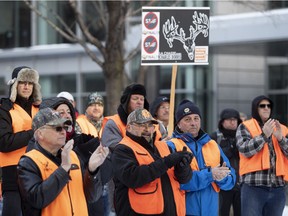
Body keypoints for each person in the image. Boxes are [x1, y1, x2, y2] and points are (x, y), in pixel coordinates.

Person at [26, 96, 112, 216]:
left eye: (69, 112)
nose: (67, 115)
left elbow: (91, 196)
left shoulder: (83, 145)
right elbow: (35, 199)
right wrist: (64, 168)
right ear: (41, 132)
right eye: (61, 113)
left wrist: (92, 171)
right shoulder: (30, 158)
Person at [111, 108, 193, 216]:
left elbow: (184, 179)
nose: (146, 129)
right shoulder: (122, 149)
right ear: (129, 127)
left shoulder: (164, 146)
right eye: (141, 125)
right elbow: (133, 177)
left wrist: (183, 167)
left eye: (150, 125)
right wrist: (167, 162)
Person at [166, 99, 236, 216]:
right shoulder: (172, 146)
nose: (193, 123)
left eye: (196, 118)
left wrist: (222, 178)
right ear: (178, 123)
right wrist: (210, 175)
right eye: (187, 119)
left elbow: (231, 180)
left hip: (211, 212)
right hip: (184, 211)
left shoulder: (212, 144)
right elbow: (176, 182)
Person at [236, 95, 288, 216]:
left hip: (278, 188)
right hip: (253, 188)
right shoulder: (245, 126)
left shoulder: (282, 128)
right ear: (255, 108)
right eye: (262, 106)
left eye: (268, 106)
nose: (266, 108)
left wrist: (280, 139)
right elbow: (244, 149)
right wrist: (264, 136)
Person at [0, 66, 42, 216]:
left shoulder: (40, 109)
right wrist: (33, 133)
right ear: (14, 85)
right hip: (13, 175)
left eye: (30, 83)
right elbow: (3, 142)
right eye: (22, 82)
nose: (26, 86)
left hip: (38, 173)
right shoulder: (4, 109)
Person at [210, 108, 242, 216]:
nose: (232, 122)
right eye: (229, 119)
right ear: (222, 122)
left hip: (242, 184)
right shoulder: (214, 137)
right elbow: (209, 157)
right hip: (223, 185)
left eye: (235, 119)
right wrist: (227, 152)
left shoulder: (244, 136)